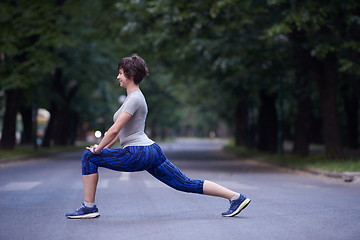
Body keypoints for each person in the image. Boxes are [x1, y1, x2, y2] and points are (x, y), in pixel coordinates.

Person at [65, 54, 250, 219]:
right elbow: (117, 133)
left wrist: (97, 150)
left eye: (120, 73)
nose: (118, 77)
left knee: (88, 157)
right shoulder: (133, 98)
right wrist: (101, 148)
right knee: (184, 183)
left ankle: (89, 207)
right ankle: (236, 197)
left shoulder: (134, 98)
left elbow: (114, 130)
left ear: (129, 75)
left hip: (138, 153)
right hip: (151, 151)